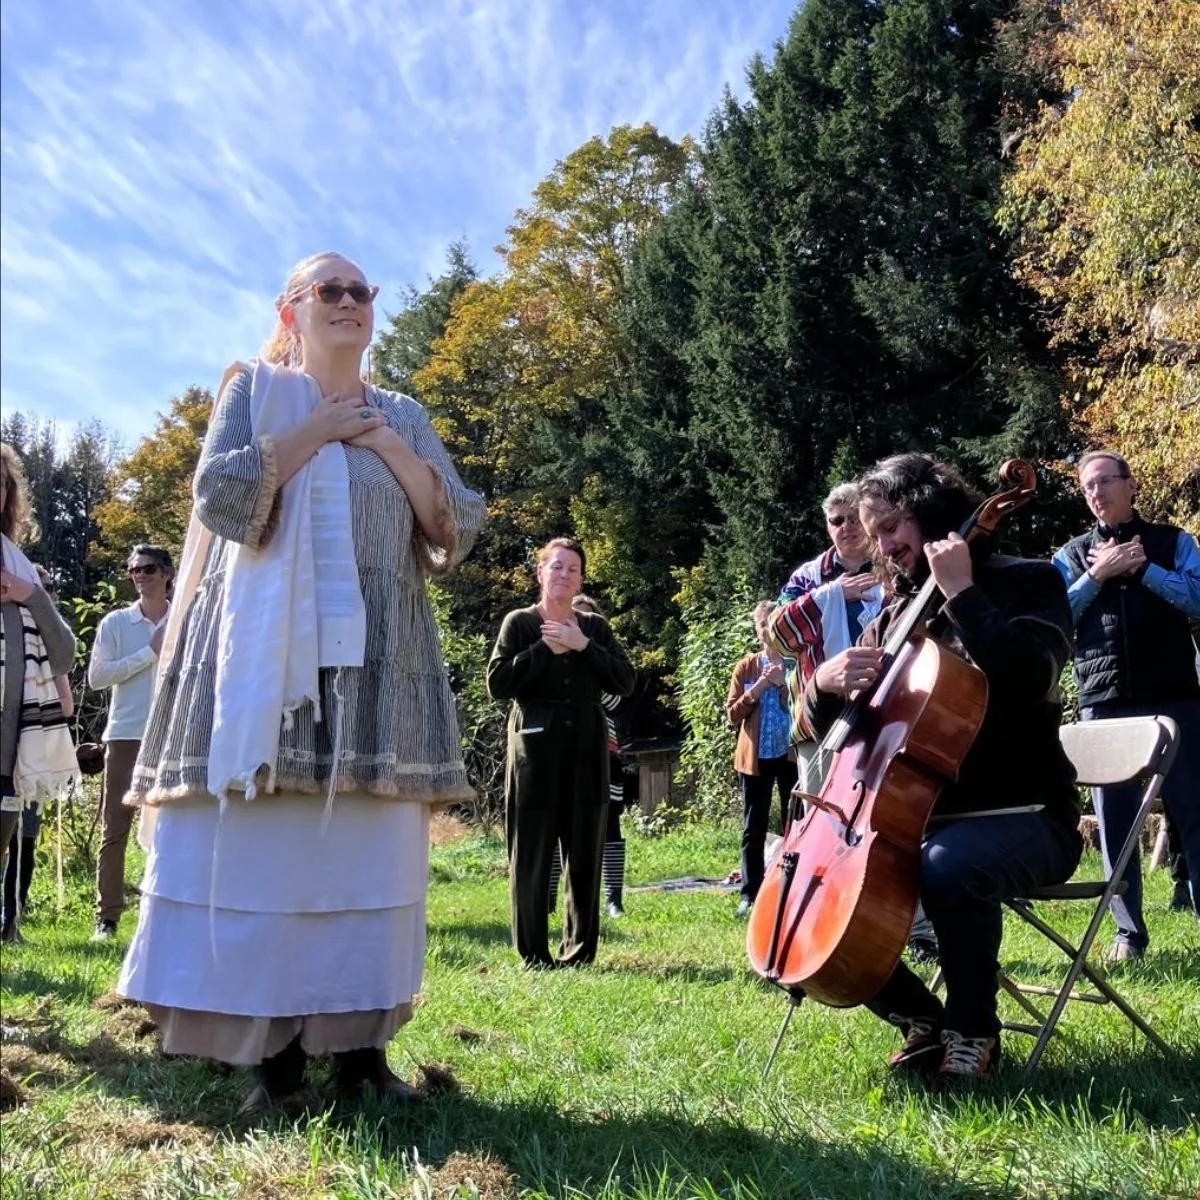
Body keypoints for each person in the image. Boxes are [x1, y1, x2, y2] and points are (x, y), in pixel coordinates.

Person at [115, 250, 485, 1114]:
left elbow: (452, 522)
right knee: (272, 857)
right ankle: (272, 1060)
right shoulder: (254, 388)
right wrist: (316, 430)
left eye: (362, 291)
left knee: (366, 861)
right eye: (330, 289)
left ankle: (362, 1054)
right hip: (261, 663)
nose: (350, 301)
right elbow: (224, 495)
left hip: (378, 665)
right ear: (290, 310)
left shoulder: (404, 411)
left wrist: (381, 438)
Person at [803, 453, 1082, 1082]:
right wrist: (822, 684)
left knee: (946, 866)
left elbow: (1030, 679)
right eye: (873, 536)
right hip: (917, 822)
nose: (884, 546)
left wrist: (962, 594)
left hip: (1029, 816)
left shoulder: (1028, 582)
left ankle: (974, 1031)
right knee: (811, 885)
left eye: (891, 526)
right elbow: (842, 737)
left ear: (930, 512)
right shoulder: (893, 618)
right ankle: (922, 1020)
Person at [1053, 450, 1200, 961]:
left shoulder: (1173, 541)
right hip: (1103, 703)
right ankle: (1128, 935)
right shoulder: (1072, 555)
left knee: (1195, 813)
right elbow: (1055, 619)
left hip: (1174, 698)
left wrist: (1144, 573)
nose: (1096, 493)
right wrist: (1097, 577)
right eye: (1087, 487)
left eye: (1105, 482)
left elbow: (1199, 600)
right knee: (1115, 825)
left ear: (1131, 485)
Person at [487, 538, 635, 968]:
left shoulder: (595, 628)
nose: (564, 575)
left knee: (585, 847)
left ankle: (579, 951)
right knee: (531, 851)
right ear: (540, 574)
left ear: (582, 579)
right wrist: (544, 650)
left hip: (586, 746)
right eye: (556, 567)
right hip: (533, 747)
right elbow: (497, 684)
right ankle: (533, 953)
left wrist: (582, 645)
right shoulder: (519, 623)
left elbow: (625, 680)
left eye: (573, 569)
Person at [1, 445, 78, 941]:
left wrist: (29, 595)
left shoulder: (21, 571)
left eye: (0, 482)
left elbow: (65, 657)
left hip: (11, 748)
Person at [87, 544, 173, 941]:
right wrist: (148, 654)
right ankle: (107, 919)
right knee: (115, 828)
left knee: (173, 829)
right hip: (125, 735)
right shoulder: (115, 623)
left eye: (149, 569)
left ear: (167, 573)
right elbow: (97, 678)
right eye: (133, 570)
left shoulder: (186, 617)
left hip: (176, 733)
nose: (140, 575)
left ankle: (165, 914)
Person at [774, 484, 879, 793]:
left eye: (854, 518)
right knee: (823, 818)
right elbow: (777, 634)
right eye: (837, 521)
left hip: (883, 715)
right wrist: (830, 596)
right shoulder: (807, 577)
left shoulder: (891, 564)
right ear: (828, 527)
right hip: (819, 720)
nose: (846, 527)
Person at [727, 601, 799, 919]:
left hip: (790, 757)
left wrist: (783, 686)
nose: (766, 630)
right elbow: (732, 714)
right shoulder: (746, 667)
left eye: (771, 623)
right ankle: (749, 893)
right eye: (761, 624)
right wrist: (757, 689)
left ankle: (792, 889)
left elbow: (806, 707)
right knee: (752, 828)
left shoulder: (795, 664)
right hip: (755, 759)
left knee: (794, 825)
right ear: (756, 630)